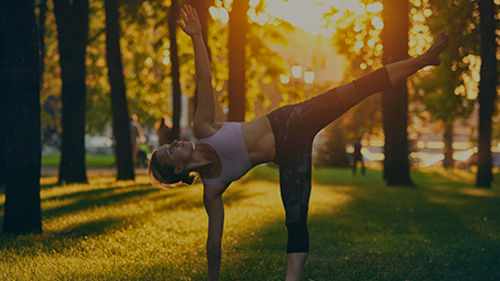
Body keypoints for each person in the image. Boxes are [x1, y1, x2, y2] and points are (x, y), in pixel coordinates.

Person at [148, 5, 449, 281]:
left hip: (292, 119)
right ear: (177, 168)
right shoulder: (212, 188)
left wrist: (197, 37)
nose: (175, 142)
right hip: (291, 156)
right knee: (295, 219)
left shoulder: (203, 127)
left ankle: (425, 59)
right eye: (170, 150)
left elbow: (204, 79)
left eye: (170, 144)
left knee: (359, 88)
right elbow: (214, 244)